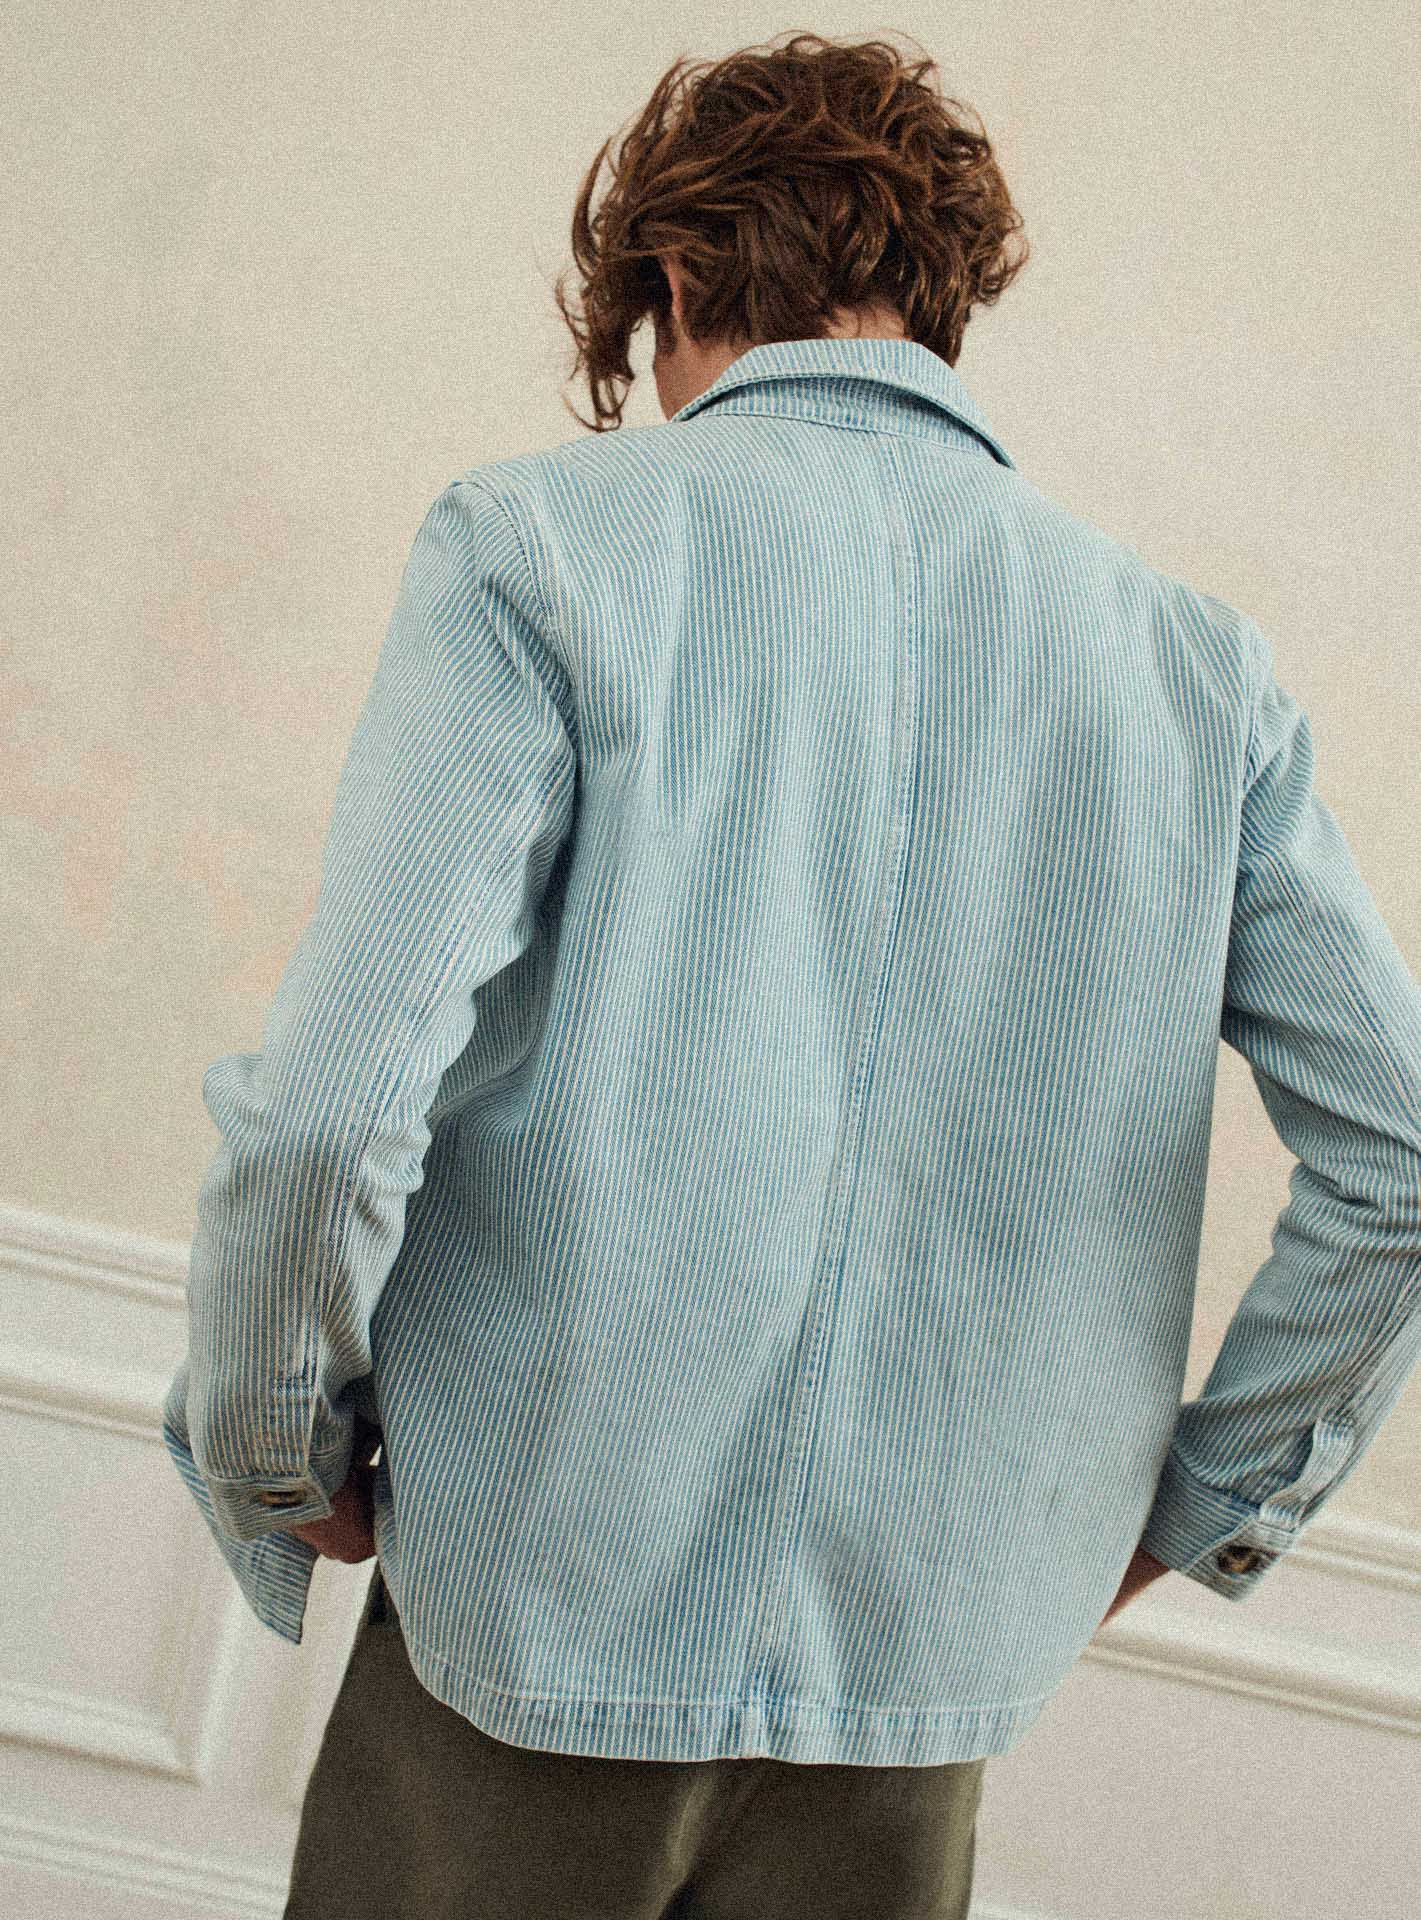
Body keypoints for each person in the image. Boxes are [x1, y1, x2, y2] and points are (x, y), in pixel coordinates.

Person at [160, 30, 1421, 1920]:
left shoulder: (539, 550)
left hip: (533, 1612)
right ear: (941, 297)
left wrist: (277, 1452)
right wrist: (1196, 1513)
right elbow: (1402, 1150)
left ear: (673, 281)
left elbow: (337, 1108)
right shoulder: (1191, 665)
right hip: (924, 1668)